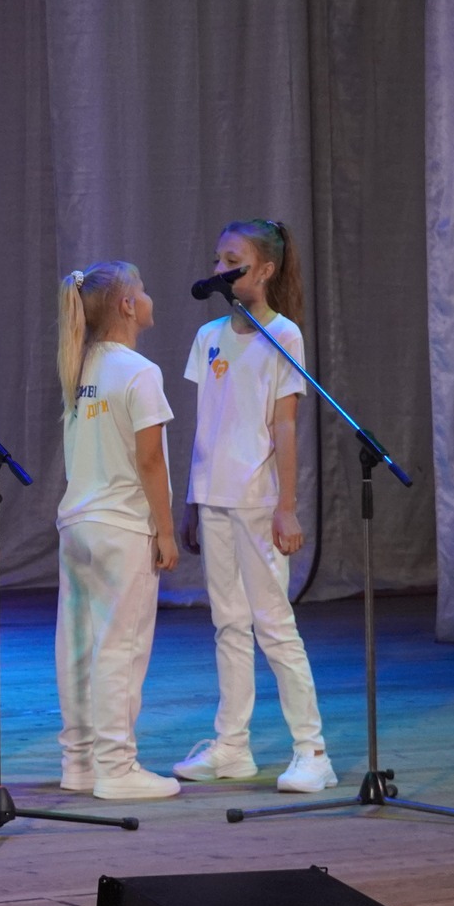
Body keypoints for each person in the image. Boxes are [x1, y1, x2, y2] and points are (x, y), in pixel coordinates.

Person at [172, 219, 334, 794]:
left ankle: (312, 750)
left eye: (232, 259)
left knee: (273, 624)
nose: (220, 269)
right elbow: (206, 426)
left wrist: (287, 506)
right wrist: (191, 501)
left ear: (264, 270)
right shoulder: (209, 336)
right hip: (213, 498)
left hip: (257, 501)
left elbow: (284, 426)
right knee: (228, 624)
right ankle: (232, 746)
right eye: (217, 258)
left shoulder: (283, 335)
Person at [53, 262, 181, 801]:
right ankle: (116, 767)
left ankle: (79, 762)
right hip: (122, 526)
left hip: (78, 522)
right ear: (127, 305)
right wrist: (166, 531)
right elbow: (149, 460)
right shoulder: (137, 371)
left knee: (78, 647)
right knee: (120, 647)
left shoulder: (80, 366)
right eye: (142, 290)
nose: (149, 297)